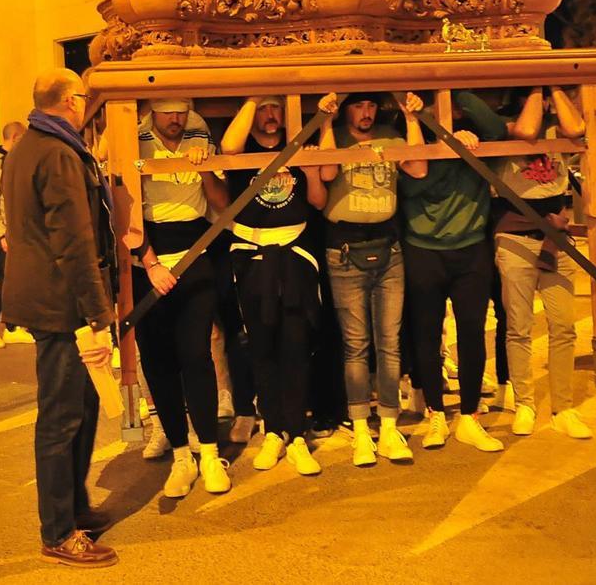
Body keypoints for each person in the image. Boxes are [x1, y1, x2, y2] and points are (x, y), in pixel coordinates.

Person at [2, 68, 118, 568]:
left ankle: (74, 508)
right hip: (61, 303)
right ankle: (58, 531)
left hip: (48, 297)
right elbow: (75, 242)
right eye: (84, 99)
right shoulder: (57, 153)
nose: (86, 106)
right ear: (71, 100)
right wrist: (98, 312)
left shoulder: (30, 144)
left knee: (80, 409)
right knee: (62, 417)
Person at [221, 95, 333, 476]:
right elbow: (229, 146)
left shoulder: (298, 145)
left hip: (295, 255)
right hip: (253, 257)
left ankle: (297, 435)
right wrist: (254, 95)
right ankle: (272, 430)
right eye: (264, 109)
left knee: (296, 345)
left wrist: (311, 169)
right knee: (262, 346)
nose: (271, 116)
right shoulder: (243, 148)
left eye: (275, 108)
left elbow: (318, 201)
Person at [131, 97, 232, 497]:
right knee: (158, 361)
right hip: (146, 259)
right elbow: (120, 206)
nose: (175, 118)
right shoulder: (132, 136)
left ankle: (209, 452)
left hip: (196, 250)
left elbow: (221, 203)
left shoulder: (199, 129)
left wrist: (205, 166)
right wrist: (150, 262)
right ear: (152, 111)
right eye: (166, 110)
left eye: (181, 110)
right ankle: (180, 455)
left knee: (196, 354)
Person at [320, 91, 427, 466]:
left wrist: (411, 119)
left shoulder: (390, 135)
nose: (365, 113)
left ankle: (389, 423)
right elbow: (327, 171)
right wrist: (325, 121)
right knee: (356, 344)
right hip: (345, 248)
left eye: (369, 106)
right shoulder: (335, 134)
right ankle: (361, 429)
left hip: (388, 245)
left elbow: (419, 168)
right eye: (357, 106)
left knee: (390, 343)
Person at [400, 90, 508, 453]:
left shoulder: (474, 135)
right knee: (426, 335)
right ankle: (435, 413)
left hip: (471, 247)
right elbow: (414, 183)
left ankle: (470, 416)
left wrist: (459, 90)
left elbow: (497, 130)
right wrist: (449, 152)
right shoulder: (414, 139)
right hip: (423, 249)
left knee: (472, 332)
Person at [492, 87, 593, 439]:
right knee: (518, 326)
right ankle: (525, 402)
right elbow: (524, 132)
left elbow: (577, 127)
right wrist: (537, 86)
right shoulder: (505, 127)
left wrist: (553, 87)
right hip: (516, 235)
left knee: (563, 325)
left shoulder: (559, 130)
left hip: (556, 236)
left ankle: (562, 407)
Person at [0, 121, 36, 349]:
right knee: (7, 280)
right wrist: (1, 234)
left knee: (14, 279)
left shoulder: (10, 160)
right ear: (15, 138)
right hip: (2, 232)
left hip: (13, 230)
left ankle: (12, 327)